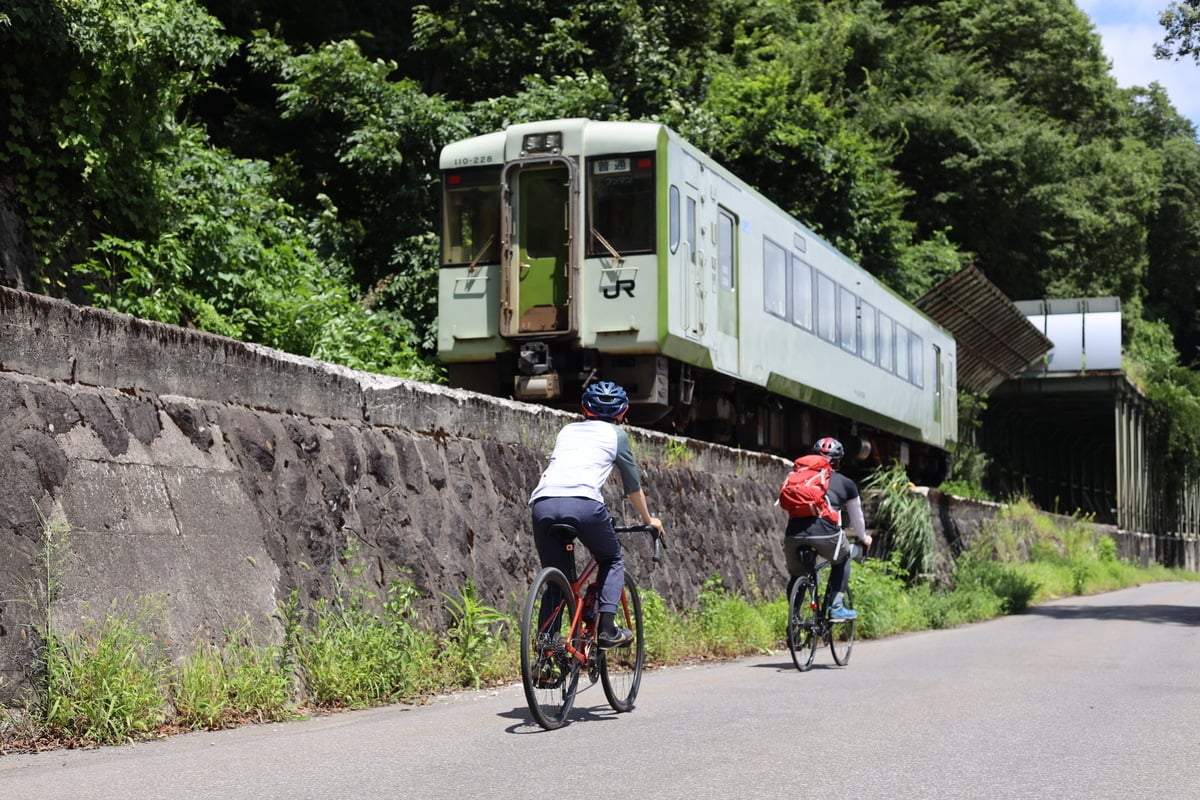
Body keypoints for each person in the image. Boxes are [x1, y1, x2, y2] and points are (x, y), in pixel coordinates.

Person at [529, 380, 665, 648]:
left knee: (557, 577)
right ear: (623, 413)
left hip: (543, 503)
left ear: (584, 409)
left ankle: (545, 650)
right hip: (585, 505)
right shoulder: (617, 435)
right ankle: (606, 629)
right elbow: (632, 486)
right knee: (611, 559)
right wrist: (649, 521)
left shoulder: (567, 431)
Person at [782, 437, 872, 620]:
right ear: (839, 460)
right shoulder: (847, 484)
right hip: (825, 533)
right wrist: (864, 538)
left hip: (793, 534)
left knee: (797, 574)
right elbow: (857, 518)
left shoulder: (799, 478)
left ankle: (794, 620)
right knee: (843, 556)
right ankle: (836, 606)